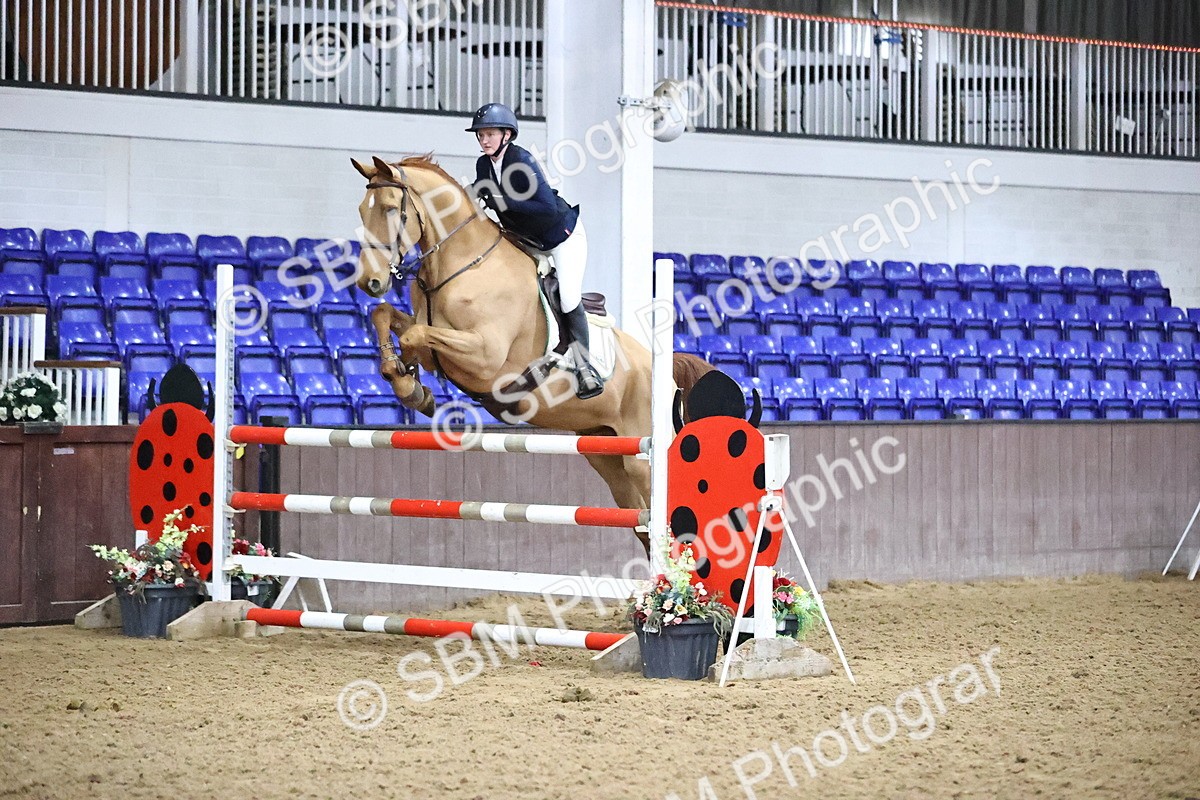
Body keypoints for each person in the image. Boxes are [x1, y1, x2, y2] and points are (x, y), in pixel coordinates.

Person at [466, 102, 603, 400]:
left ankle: (584, 368)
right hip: (528, 240)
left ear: (506, 135)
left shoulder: (522, 161)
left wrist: (504, 200)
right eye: (481, 135)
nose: (484, 140)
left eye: (489, 134)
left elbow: (546, 208)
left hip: (562, 237)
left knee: (567, 295)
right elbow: (479, 195)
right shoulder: (483, 165)